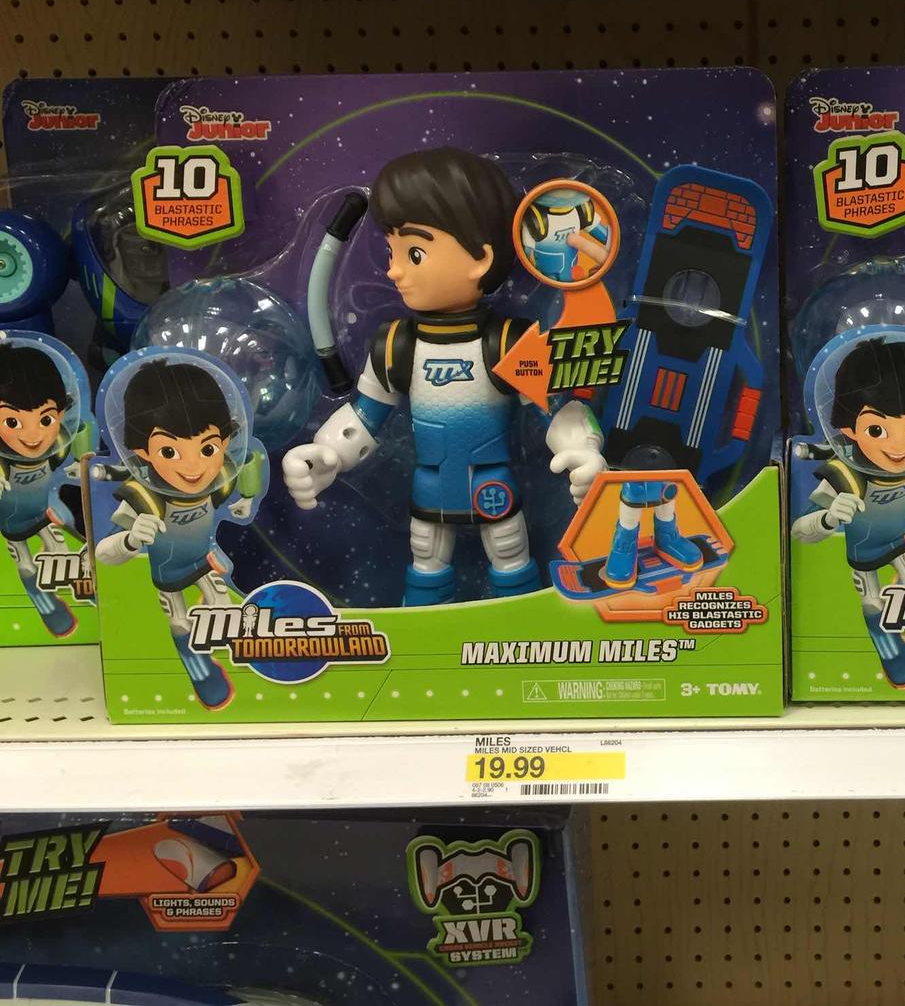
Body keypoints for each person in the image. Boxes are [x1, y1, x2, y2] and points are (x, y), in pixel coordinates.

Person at [282, 148, 604, 606]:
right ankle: (421, 635)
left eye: (414, 253)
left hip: (494, 487)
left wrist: (583, 449)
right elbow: (365, 417)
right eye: (391, 250)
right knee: (426, 565)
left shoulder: (509, 342)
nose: (393, 270)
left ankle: (523, 629)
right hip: (430, 489)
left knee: (511, 561)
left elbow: (555, 409)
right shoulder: (397, 344)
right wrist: (329, 455)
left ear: (480, 259)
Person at [792, 333, 905, 687]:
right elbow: (798, 531)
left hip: (902, 539)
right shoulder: (847, 477)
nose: (900, 445)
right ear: (848, 429)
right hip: (864, 553)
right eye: (877, 429)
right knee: (873, 605)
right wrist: (828, 517)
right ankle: (891, 653)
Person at [94, 356, 256, 708]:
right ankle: (200, 673)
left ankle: (244, 665)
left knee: (224, 609)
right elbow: (103, 554)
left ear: (225, 441)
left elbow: (244, 476)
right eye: (170, 451)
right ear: (142, 452)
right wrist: (131, 539)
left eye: (207, 448)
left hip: (204, 562)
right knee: (181, 627)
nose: (194, 466)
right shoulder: (146, 497)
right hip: (167, 576)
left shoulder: (218, 479)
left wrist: (245, 499)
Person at [0, 341, 82, 636]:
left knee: (61, 550)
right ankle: (49, 609)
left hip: (44, 511)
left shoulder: (57, 443)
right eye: (12, 421)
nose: (33, 434)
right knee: (25, 563)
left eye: (45, 419)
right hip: (11, 519)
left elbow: (65, 464)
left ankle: (83, 594)